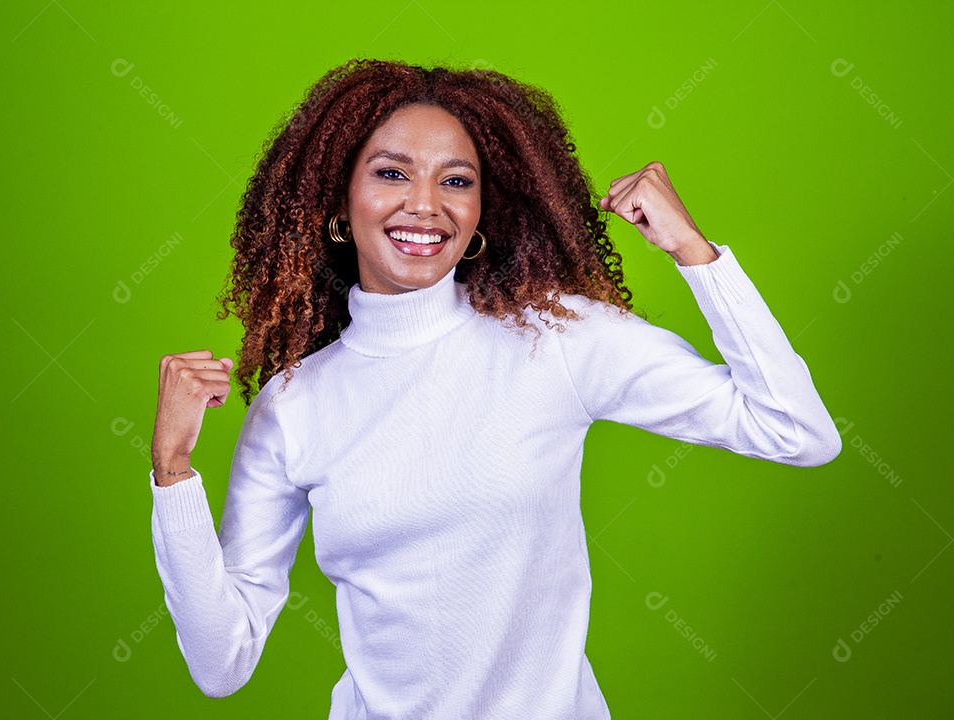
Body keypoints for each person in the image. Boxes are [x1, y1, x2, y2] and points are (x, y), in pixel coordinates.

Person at [148, 58, 841, 719]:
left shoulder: (555, 340)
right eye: (392, 173)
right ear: (339, 198)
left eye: (456, 181)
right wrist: (173, 472)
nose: (425, 205)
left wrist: (695, 251)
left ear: (484, 206)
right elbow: (222, 662)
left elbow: (796, 431)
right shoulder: (294, 409)